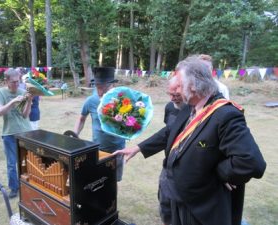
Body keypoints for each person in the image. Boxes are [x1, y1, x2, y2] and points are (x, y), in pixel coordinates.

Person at [114, 56, 266, 225]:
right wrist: (137, 148)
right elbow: (169, 132)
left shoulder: (226, 114)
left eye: (178, 84)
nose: (175, 91)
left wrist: (218, 174)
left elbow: (251, 162)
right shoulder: (189, 107)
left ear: (193, 85)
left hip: (197, 206)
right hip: (173, 196)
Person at [74, 67, 126, 181]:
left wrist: (122, 121)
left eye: (102, 87)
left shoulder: (123, 101)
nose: (99, 91)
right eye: (97, 87)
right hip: (98, 149)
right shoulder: (91, 101)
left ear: (112, 85)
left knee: (113, 181)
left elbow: (131, 125)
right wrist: (74, 134)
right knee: (98, 180)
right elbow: (81, 119)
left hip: (118, 149)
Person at [0, 68, 33, 198]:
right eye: (14, 82)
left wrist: (29, 102)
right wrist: (12, 101)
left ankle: (30, 185)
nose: (17, 85)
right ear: (6, 81)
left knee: (29, 161)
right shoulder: (0, 93)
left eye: (18, 81)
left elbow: (25, 115)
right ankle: (14, 188)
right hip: (9, 133)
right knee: (12, 164)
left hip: (26, 132)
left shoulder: (22, 92)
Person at [159, 75, 188, 225]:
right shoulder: (170, 107)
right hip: (168, 163)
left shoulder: (197, 111)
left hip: (185, 170)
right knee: (164, 203)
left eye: (176, 95)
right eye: (169, 94)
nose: (172, 99)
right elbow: (167, 131)